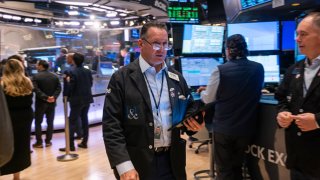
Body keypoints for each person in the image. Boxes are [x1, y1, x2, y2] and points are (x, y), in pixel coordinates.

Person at [102, 21, 204, 180]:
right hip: (136, 163)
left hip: (173, 161)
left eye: (165, 44)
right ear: (141, 44)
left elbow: (187, 111)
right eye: (156, 44)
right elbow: (111, 125)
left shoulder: (176, 77)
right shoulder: (121, 78)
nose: (162, 49)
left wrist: (194, 123)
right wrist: (123, 165)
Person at [197, 34, 264, 180]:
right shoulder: (258, 68)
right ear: (245, 49)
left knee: (224, 170)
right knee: (238, 167)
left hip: (224, 129)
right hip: (246, 129)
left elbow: (209, 99)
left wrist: (203, 91)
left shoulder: (220, 70)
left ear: (228, 50)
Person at [275, 12, 320, 179]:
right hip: (298, 158)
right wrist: (281, 113)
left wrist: (317, 121)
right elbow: (281, 98)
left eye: (304, 34)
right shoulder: (294, 69)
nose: (297, 39)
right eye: (297, 34)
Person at [0, 59, 33, 180]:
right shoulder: (27, 81)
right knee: (22, 145)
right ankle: (17, 176)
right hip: (26, 117)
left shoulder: (3, 84)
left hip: (8, 118)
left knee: (6, 145)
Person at [59, 53, 93, 151]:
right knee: (85, 120)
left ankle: (70, 145)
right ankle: (84, 142)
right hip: (87, 99)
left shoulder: (71, 72)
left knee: (72, 122)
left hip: (76, 100)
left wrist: (66, 95)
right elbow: (90, 83)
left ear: (73, 60)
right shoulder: (87, 71)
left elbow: (70, 87)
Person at [32, 60, 61, 148]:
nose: (36, 66)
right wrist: (53, 97)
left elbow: (36, 90)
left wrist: (45, 97)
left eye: (37, 65)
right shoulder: (55, 76)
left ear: (41, 66)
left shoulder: (36, 76)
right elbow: (59, 88)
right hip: (52, 103)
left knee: (38, 122)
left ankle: (39, 142)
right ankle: (48, 141)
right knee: (50, 122)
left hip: (41, 103)